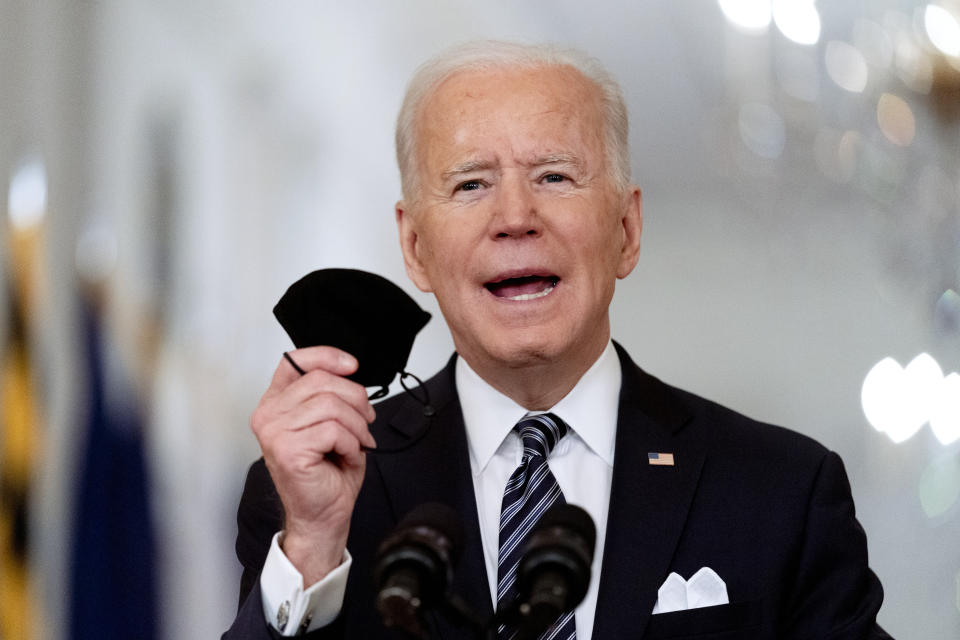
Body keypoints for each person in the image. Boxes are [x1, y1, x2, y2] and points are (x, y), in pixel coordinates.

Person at [223, 41, 891, 639]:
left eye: (554, 176)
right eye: (471, 184)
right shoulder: (309, 496)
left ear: (626, 229)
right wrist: (310, 545)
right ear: (415, 245)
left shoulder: (780, 490)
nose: (515, 218)